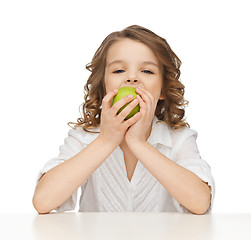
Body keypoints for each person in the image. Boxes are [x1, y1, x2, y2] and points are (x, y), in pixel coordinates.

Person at [32, 25, 215, 214]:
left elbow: (200, 203)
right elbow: (43, 201)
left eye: (147, 71)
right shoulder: (84, 138)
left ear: (162, 90)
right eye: (119, 71)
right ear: (103, 86)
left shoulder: (178, 139)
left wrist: (138, 143)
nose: (132, 78)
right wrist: (106, 140)